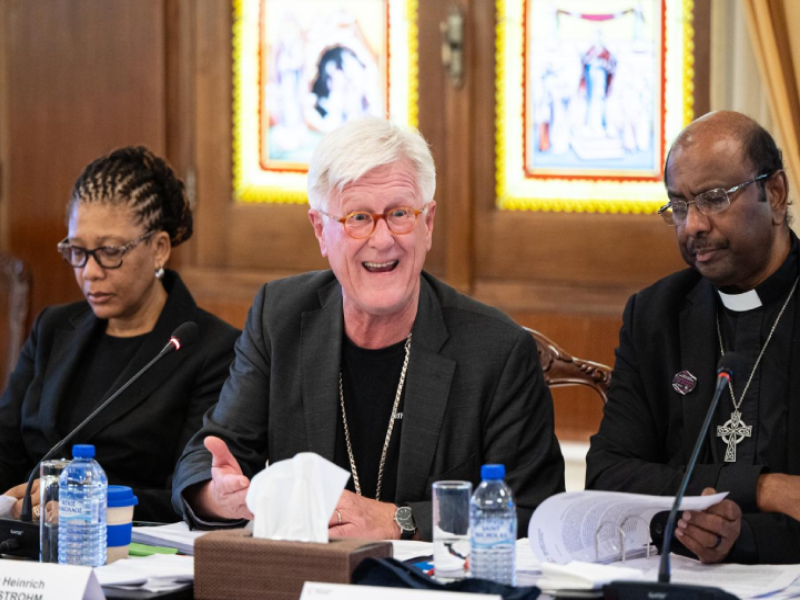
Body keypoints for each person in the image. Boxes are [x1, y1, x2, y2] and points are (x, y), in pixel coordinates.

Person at [172, 117, 565, 540]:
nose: (382, 240)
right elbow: (209, 457)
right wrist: (220, 496)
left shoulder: (496, 350)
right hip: (310, 573)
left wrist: (398, 520)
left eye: (399, 214)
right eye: (358, 217)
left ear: (428, 224)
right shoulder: (279, 317)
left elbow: (532, 508)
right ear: (321, 230)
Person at [586, 111, 800, 564]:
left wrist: (742, 534)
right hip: (683, 574)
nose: (693, 225)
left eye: (714, 199)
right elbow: (608, 475)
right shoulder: (655, 315)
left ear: (776, 193)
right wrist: (760, 488)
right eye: (679, 206)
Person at [0, 147, 240, 522]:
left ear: (159, 248)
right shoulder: (53, 328)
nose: (90, 271)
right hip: (28, 539)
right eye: (77, 251)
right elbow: (6, 449)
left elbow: (191, 492)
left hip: (130, 546)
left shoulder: (213, 349)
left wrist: (83, 502)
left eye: (110, 251)